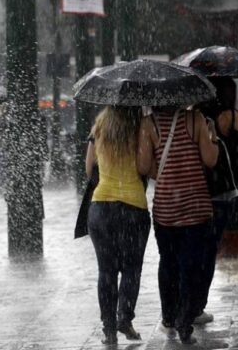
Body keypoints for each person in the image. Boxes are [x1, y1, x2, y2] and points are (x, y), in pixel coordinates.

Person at [138, 105, 219, 345]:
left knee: (168, 262)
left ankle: (169, 316)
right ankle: (185, 319)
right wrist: (211, 137)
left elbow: (143, 167)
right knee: (191, 264)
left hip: (166, 208)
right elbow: (210, 159)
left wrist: (164, 174)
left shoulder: (148, 124)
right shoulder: (195, 120)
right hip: (195, 206)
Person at [84, 106, 150, 345]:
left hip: (101, 208)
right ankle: (125, 317)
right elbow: (144, 167)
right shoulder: (140, 127)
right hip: (133, 208)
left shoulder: (99, 126)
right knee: (131, 269)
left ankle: (109, 329)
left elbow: (89, 167)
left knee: (106, 271)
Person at [194, 77, 238, 325]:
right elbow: (236, 151)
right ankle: (198, 304)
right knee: (209, 252)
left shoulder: (198, 117)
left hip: (199, 190)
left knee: (195, 250)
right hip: (223, 192)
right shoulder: (230, 117)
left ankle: (189, 302)